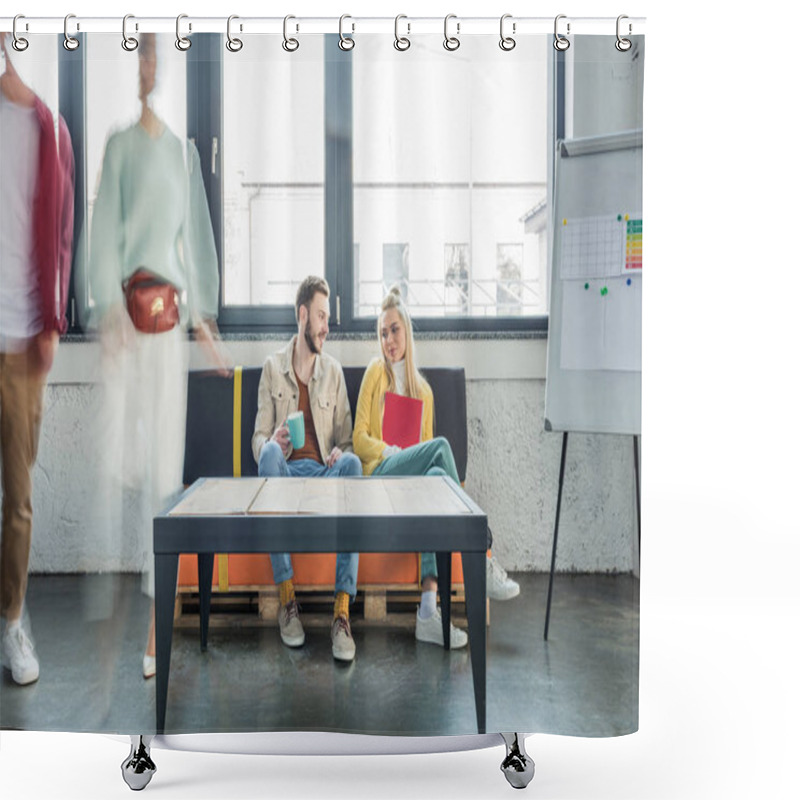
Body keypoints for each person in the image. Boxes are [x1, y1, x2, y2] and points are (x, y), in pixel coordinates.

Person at [75, 33, 228, 679]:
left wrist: (202, 319)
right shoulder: (116, 148)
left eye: (153, 55)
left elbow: (194, 235)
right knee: (121, 465)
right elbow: (104, 230)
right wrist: (105, 310)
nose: (145, 66)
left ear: (161, 67)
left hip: (167, 333)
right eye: (136, 54)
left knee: (164, 477)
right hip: (124, 324)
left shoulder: (181, 154)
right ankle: (103, 609)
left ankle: (151, 624)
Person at [354, 286, 520, 649]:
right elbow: (359, 439)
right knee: (441, 447)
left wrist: (412, 454)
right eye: (383, 333)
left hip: (411, 488)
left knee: (433, 480)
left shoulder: (424, 393)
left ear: (407, 331)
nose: (388, 340)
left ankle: (428, 611)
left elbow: (431, 465)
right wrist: (393, 450)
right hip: (379, 477)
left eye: (394, 330)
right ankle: (483, 548)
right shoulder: (374, 373)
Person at [0, 33, 74, 685]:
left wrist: (53, 321)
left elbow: (63, 233)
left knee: (19, 499)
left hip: (22, 345)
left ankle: (12, 620)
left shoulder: (43, 126)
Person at [252, 276, 361, 663]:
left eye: (327, 318)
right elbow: (258, 440)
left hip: (321, 476)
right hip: (283, 475)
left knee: (353, 463)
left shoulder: (333, 372)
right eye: (319, 316)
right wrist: (273, 441)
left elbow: (346, 443)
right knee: (266, 455)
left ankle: (342, 612)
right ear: (302, 315)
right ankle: (287, 600)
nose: (325, 326)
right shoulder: (271, 368)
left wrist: (336, 454)